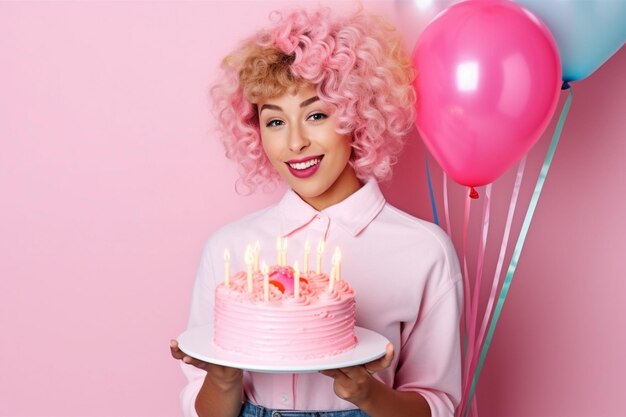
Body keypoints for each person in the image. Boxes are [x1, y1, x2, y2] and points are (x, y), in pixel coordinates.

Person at [170, 6, 462, 417]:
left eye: (317, 115)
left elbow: (438, 404)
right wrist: (221, 378)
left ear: (358, 115)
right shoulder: (229, 248)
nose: (295, 143)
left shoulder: (423, 251)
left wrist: (366, 393)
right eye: (275, 122)